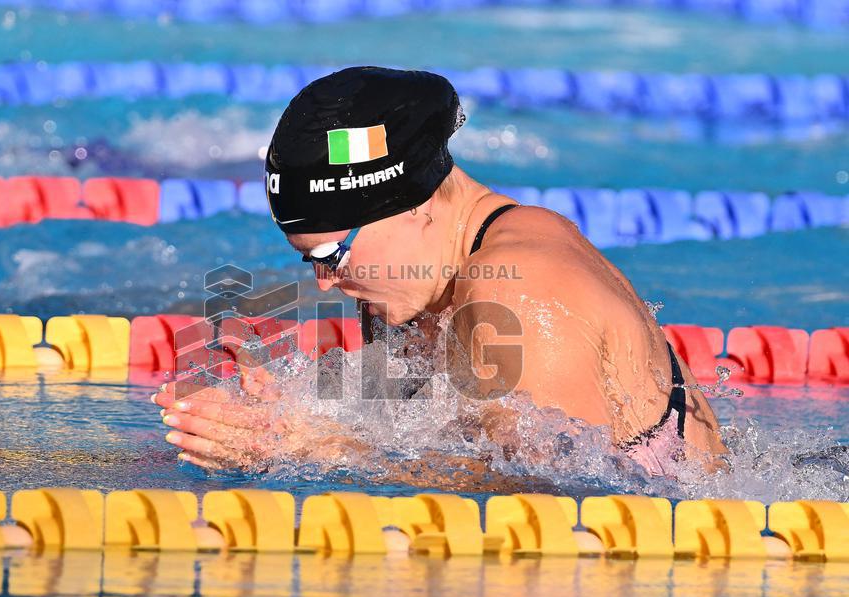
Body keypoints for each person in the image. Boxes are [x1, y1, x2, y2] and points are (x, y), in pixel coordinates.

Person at [154, 66, 727, 477]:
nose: (325, 283)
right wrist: (281, 418)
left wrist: (309, 448)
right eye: (312, 261)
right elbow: (445, 444)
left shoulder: (522, 285)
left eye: (333, 255)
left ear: (411, 205)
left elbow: (557, 493)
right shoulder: (412, 287)